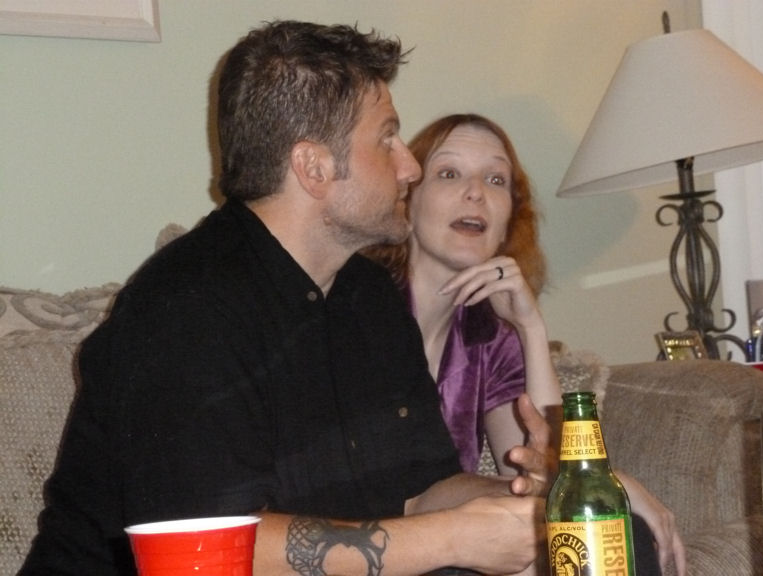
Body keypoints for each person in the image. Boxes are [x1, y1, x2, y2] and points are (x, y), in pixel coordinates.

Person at [20, 22, 552, 576]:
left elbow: (421, 493)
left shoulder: (368, 296)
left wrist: (527, 501)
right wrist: (450, 540)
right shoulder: (185, 310)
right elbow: (203, 551)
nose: (409, 167)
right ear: (313, 167)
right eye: (386, 139)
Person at [365, 113, 686, 575]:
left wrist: (530, 327)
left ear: (509, 220)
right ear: (407, 202)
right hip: (378, 543)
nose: (476, 192)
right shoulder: (358, 310)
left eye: (496, 179)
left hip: (455, 539)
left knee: (601, 532)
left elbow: (539, 468)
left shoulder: (489, 337)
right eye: (449, 173)